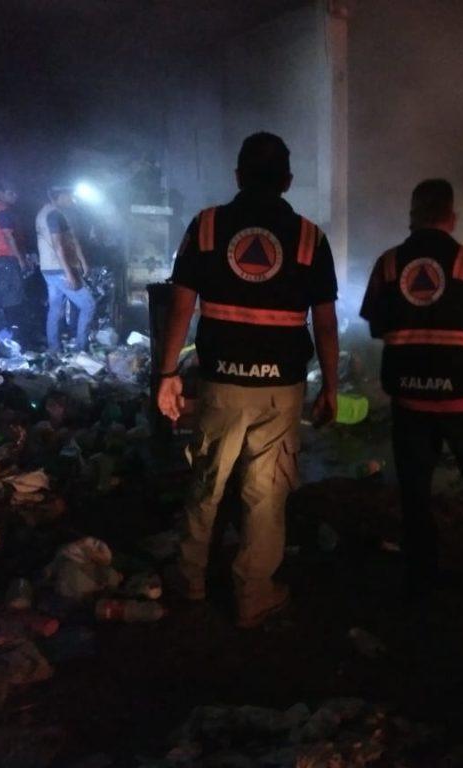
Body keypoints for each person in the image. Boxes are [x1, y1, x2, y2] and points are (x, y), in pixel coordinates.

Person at [156, 132, 339, 628]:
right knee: (266, 493)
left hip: (221, 384)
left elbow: (180, 306)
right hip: (281, 389)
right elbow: (324, 322)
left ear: (237, 176)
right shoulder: (309, 238)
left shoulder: (208, 226)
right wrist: (331, 386)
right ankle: (254, 595)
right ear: (288, 181)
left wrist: (168, 374)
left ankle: (190, 581)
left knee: (207, 483)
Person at [360, 179, 463, 596]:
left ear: (412, 216)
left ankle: (421, 577)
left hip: (411, 401)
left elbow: (375, 323)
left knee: (415, 493)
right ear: (451, 217)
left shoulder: (389, 263)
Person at [35, 187, 96, 352]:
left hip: (48, 268)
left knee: (55, 308)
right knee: (88, 305)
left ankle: (54, 348)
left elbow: (71, 240)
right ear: (60, 196)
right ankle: (81, 348)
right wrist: (69, 273)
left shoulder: (42, 213)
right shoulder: (54, 215)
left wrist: (82, 261)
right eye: (69, 196)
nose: (72, 199)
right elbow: (58, 245)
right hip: (60, 268)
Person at [0, 180, 27, 329]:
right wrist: (20, 259)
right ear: (1, 193)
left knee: (8, 297)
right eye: (10, 193)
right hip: (5, 259)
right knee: (13, 298)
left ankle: (10, 331)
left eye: (15, 193)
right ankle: (14, 332)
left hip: (0, 260)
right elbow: (8, 236)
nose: (15, 196)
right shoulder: (1, 209)